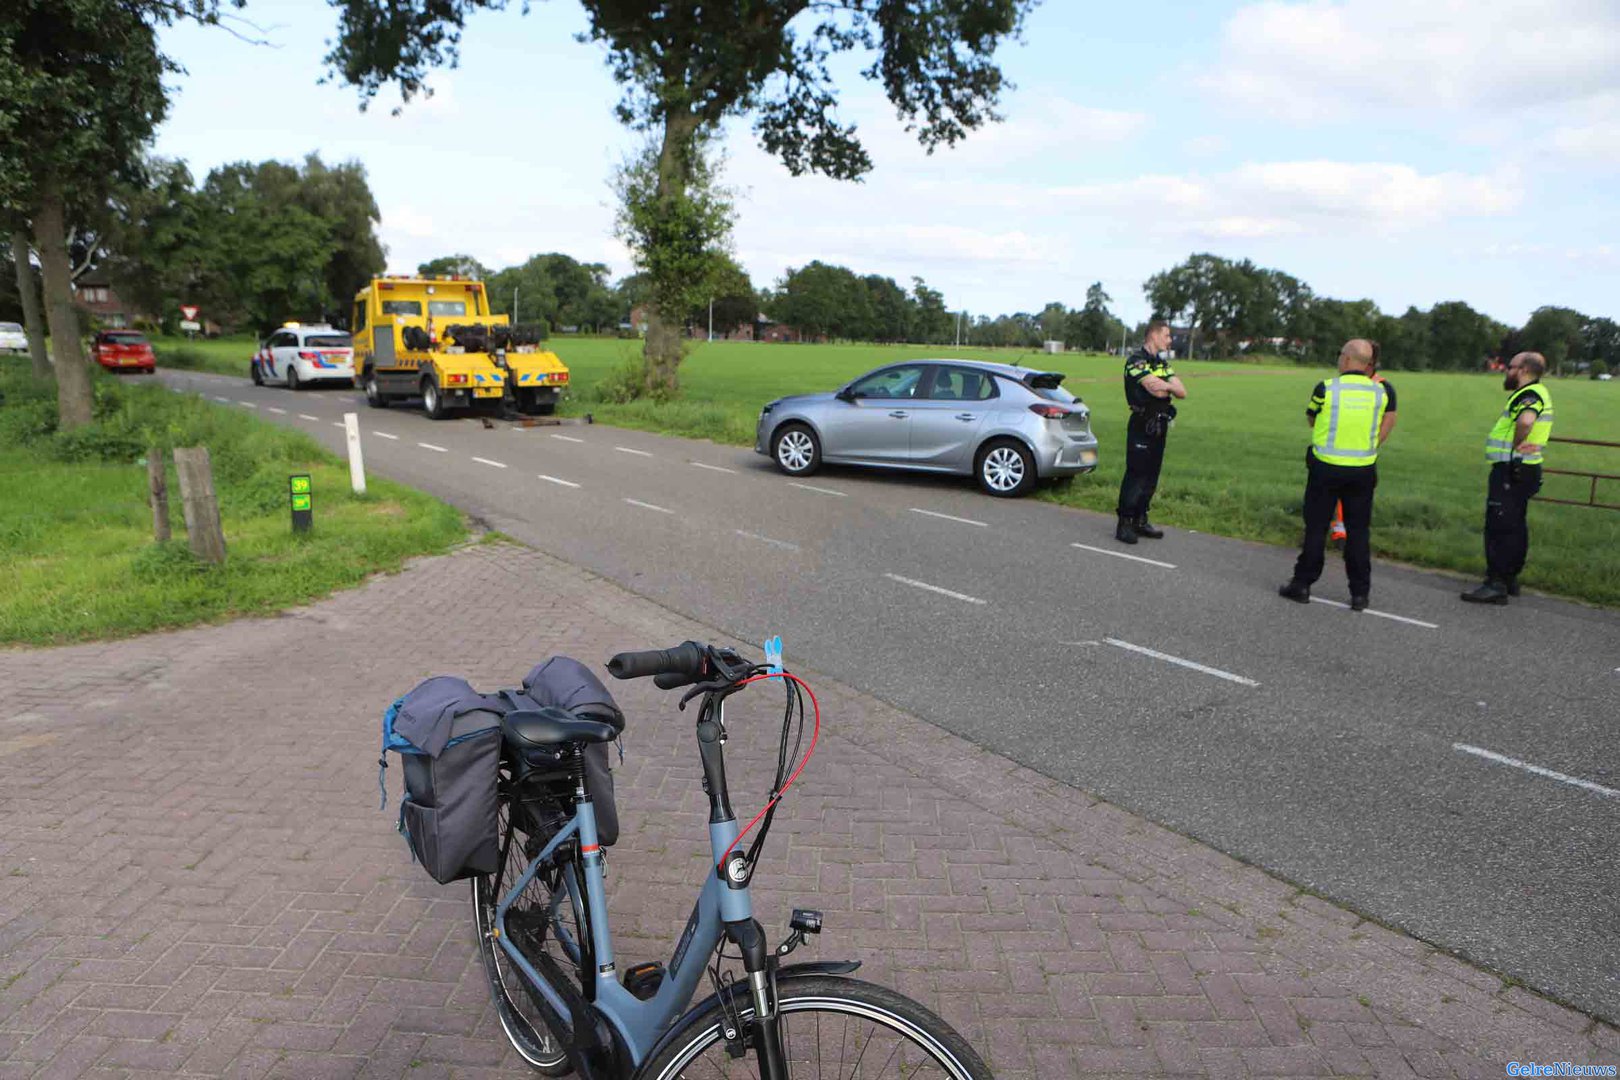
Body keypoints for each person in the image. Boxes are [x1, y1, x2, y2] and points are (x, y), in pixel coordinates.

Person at [1279, 339, 1398, 611]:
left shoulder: (1326, 388)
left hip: (1326, 467)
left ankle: (1302, 584)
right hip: (1363, 470)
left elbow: (1311, 418)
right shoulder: (1381, 392)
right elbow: (1385, 422)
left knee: (1316, 528)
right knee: (1358, 532)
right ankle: (1360, 594)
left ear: (1346, 359)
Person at [1461, 351, 1553, 604]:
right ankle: (1510, 578)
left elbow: (1525, 421)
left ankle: (1496, 583)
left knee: (1499, 526)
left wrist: (1515, 445)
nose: (1506, 370)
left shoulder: (1529, 394)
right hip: (1525, 469)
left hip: (1511, 469)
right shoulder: (1538, 391)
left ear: (1523, 369)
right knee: (1515, 525)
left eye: (1510, 367)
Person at [1115, 321, 1187, 544]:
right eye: (1166, 335)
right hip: (1141, 423)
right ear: (1154, 336)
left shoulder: (1162, 363)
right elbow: (1155, 390)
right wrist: (1165, 387)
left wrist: (1164, 386)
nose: (1169, 340)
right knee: (1136, 474)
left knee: (1151, 475)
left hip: (1160, 424)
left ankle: (1140, 518)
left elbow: (1182, 391)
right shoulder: (1135, 361)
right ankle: (1124, 522)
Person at [1329, 365, 1387, 545]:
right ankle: (1338, 531)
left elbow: (1389, 418)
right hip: (1337, 453)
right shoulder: (1341, 386)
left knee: (1357, 501)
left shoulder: (1382, 387)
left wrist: (1372, 446)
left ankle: (1349, 535)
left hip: (1362, 457)